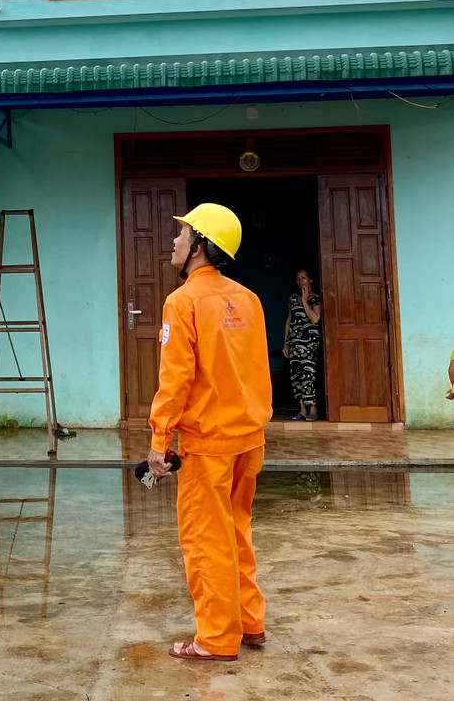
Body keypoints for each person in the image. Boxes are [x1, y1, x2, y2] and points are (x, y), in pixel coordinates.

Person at [147, 203, 272, 662]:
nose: (175, 242)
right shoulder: (249, 299)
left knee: (206, 539)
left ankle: (217, 638)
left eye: (182, 235)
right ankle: (249, 623)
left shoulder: (182, 303)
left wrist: (160, 441)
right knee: (237, 531)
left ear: (201, 247)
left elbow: (175, 379)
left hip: (208, 444)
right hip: (248, 439)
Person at [282, 270, 322, 421]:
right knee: (296, 376)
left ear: (310, 280)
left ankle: (313, 409)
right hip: (294, 344)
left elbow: (315, 319)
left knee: (308, 375)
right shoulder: (292, 299)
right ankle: (302, 410)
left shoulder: (315, 299)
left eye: (304, 278)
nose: (301, 281)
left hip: (309, 344)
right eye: (298, 279)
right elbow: (289, 320)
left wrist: (305, 301)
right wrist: (286, 342)